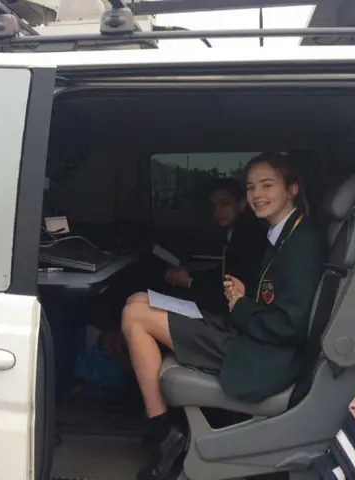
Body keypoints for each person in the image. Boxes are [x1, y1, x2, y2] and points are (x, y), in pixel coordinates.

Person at [121, 152, 325, 480]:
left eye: (267, 185)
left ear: (292, 189)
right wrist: (242, 298)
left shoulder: (302, 244)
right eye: (251, 187)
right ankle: (166, 431)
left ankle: (165, 435)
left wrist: (241, 305)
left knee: (135, 318)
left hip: (262, 352)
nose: (257, 195)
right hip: (249, 333)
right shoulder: (283, 234)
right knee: (137, 304)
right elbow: (274, 299)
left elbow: (290, 325)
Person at [164, 177, 267, 314]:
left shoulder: (249, 238)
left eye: (225, 204)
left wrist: (189, 282)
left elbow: (228, 293)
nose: (217, 212)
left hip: (233, 315)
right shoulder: (236, 232)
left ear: (242, 204)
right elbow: (221, 274)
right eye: (214, 206)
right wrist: (190, 275)